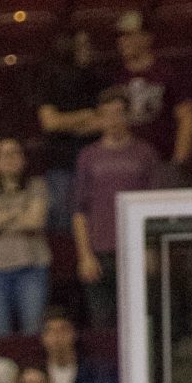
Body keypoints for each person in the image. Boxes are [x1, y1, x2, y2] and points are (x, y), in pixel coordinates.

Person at [72, 88, 164, 330]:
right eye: (107, 115)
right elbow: (80, 211)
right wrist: (84, 255)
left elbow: (155, 207)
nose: (113, 121)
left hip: (135, 250)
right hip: (100, 253)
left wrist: (150, 247)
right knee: (104, 325)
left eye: (118, 114)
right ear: (100, 119)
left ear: (128, 116)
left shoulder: (145, 154)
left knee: (140, 322)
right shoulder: (88, 156)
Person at [0, 139, 52, 339]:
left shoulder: (36, 185)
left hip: (32, 268)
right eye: (3, 154)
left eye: (14, 153)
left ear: (23, 159)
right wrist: (15, 213)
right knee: (0, 336)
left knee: (33, 333)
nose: (9, 159)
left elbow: (35, 221)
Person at [35, 28, 104, 235]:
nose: (87, 50)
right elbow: (50, 122)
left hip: (94, 161)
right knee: (63, 220)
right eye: (81, 46)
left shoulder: (98, 79)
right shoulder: (51, 80)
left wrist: (69, 122)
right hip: (62, 162)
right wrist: (85, 115)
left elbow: (104, 121)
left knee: (95, 219)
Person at [115, 22, 192, 175]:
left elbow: (187, 118)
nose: (124, 41)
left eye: (130, 35)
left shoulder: (167, 74)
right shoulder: (115, 76)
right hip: (123, 162)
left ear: (147, 38)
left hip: (160, 160)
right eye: (121, 36)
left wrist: (178, 162)